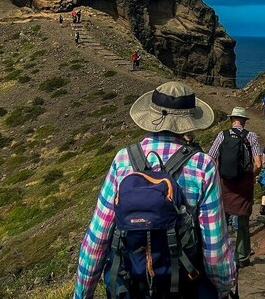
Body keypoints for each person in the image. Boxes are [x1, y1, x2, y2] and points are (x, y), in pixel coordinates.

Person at [74, 81, 236, 299]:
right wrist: (223, 288)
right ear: (189, 120)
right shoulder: (202, 165)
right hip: (182, 286)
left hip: (130, 285)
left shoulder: (123, 159)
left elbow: (97, 237)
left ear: (150, 115)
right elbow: (214, 249)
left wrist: (82, 294)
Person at [208, 107, 262, 268]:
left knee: (221, 221)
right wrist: (252, 176)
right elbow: (258, 163)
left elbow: (210, 158)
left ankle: (221, 255)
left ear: (232, 120)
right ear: (244, 121)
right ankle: (242, 257)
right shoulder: (250, 136)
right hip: (244, 184)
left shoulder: (222, 135)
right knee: (243, 220)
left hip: (225, 183)